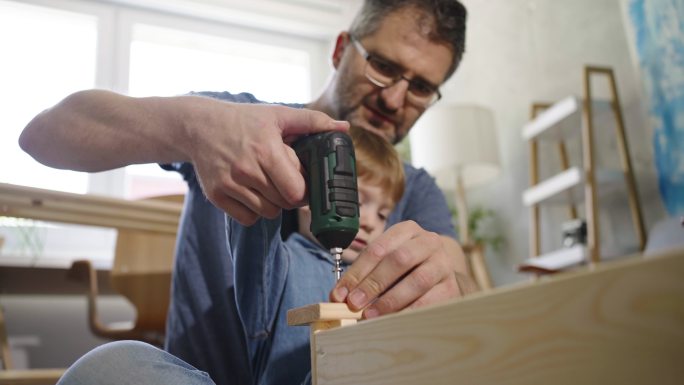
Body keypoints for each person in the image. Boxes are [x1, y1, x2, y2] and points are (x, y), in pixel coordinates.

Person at [20, 1, 473, 384]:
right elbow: (44, 135)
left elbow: (460, 278)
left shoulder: (415, 187)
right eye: (384, 67)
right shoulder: (237, 126)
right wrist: (191, 128)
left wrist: (444, 282)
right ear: (340, 50)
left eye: (420, 88)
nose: (394, 99)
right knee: (113, 371)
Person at [55, 127, 407, 385]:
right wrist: (270, 171)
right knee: (112, 365)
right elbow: (254, 236)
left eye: (383, 213)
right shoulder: (284, 265)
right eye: (357, 201)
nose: (370, 222)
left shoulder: (383, 280)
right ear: (308, 195)